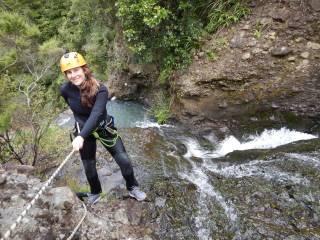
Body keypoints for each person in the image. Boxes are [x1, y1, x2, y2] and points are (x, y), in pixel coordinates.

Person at [59, 51, 146, 204]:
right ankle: (95, 192)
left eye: (76, 70)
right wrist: (81, 132)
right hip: (82, 129)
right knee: (89, 165)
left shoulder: (101, 89)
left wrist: (81, 136)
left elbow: (96, 114)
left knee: (123, 159)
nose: (73, 75)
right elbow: (76, 111)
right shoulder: (65, 90)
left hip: (102, 126)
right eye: (69, 72)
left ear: (84, 69)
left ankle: (133, 187)